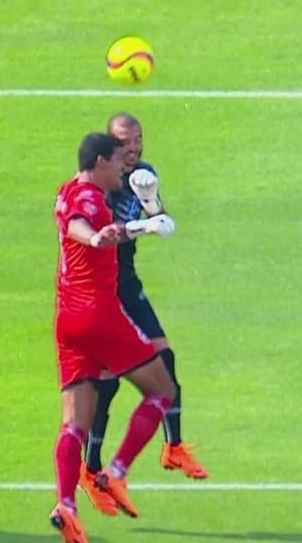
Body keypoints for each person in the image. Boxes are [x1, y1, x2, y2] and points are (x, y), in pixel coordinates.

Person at [50, 133, 177, 543]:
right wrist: (137, 227)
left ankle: (66, 507)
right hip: (99, 314)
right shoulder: (88, 200)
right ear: (100, 162)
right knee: (162, 390)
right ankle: (116, 472)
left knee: (74, 424)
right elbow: (88, 231)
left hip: (67, 320)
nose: (124, 169)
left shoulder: (68, 190)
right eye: (118, 162)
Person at [78, 113, 208, 517]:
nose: (133, 148)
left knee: (165, 358)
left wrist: (153, 203)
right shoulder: (100, 183)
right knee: (106, 384)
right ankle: (91, 470)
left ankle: (173, 447)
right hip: (101, 287)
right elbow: (107, 234)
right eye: (124, 142)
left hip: (127, 280)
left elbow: (158, 217)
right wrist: (145, 224)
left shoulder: (142, 172)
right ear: (109, 146)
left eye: (138, 140)